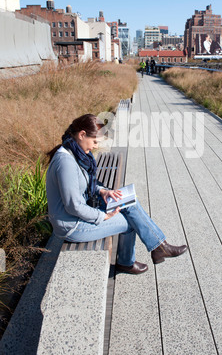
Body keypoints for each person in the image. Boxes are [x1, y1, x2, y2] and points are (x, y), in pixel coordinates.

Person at [46, 114, 187, 274]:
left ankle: (159, 246)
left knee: (128, 201)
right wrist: (103, 217)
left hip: (81, 211)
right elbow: (74, 206)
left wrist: (103, 191)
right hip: (73, 226)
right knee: (130, 222)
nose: (94, 146)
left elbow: (81, 183)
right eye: (94, 142)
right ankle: (131, 260)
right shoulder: (66, 162)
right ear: (82, 134)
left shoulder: (75, 152)